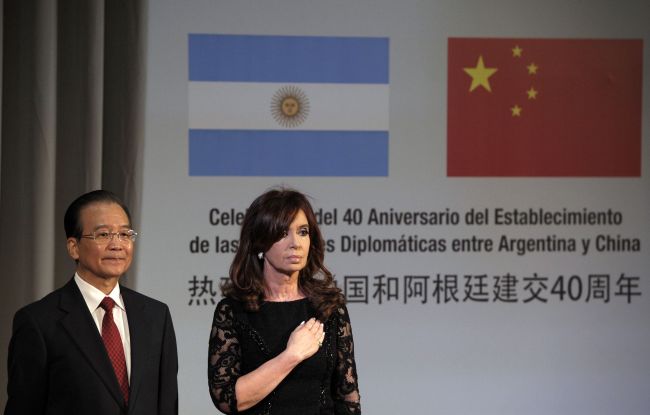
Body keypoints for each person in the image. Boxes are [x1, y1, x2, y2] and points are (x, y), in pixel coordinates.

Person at [4, 190, 178, 415]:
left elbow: (167, 405)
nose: (117, 244)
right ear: (73, 247)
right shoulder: (39, 322)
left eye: (125, 234)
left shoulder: (156, 315)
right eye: (103, 234)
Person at [208, 188, 361, 414]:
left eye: (303, 232)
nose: (295, 243)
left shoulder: (329, 308)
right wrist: (292, 355)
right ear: (260, 242)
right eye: (282, 233)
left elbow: (348, 398)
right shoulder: (233, 311)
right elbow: (227, 398)